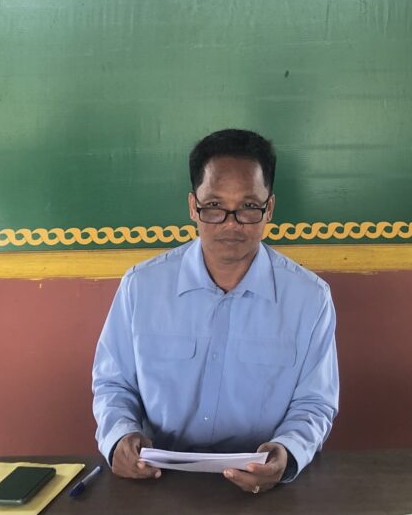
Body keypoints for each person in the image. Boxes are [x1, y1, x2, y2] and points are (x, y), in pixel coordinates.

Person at [92, 129, 339, 494]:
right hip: (158, 480)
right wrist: (119, 438)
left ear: (269, 208)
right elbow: (114, 384)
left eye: (249, 206)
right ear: (193, 207)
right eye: (214, 206)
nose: (231, 223)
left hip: (260, 485)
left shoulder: (309, 299)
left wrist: (287, 452)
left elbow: (314, 403)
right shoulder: (141, 287)